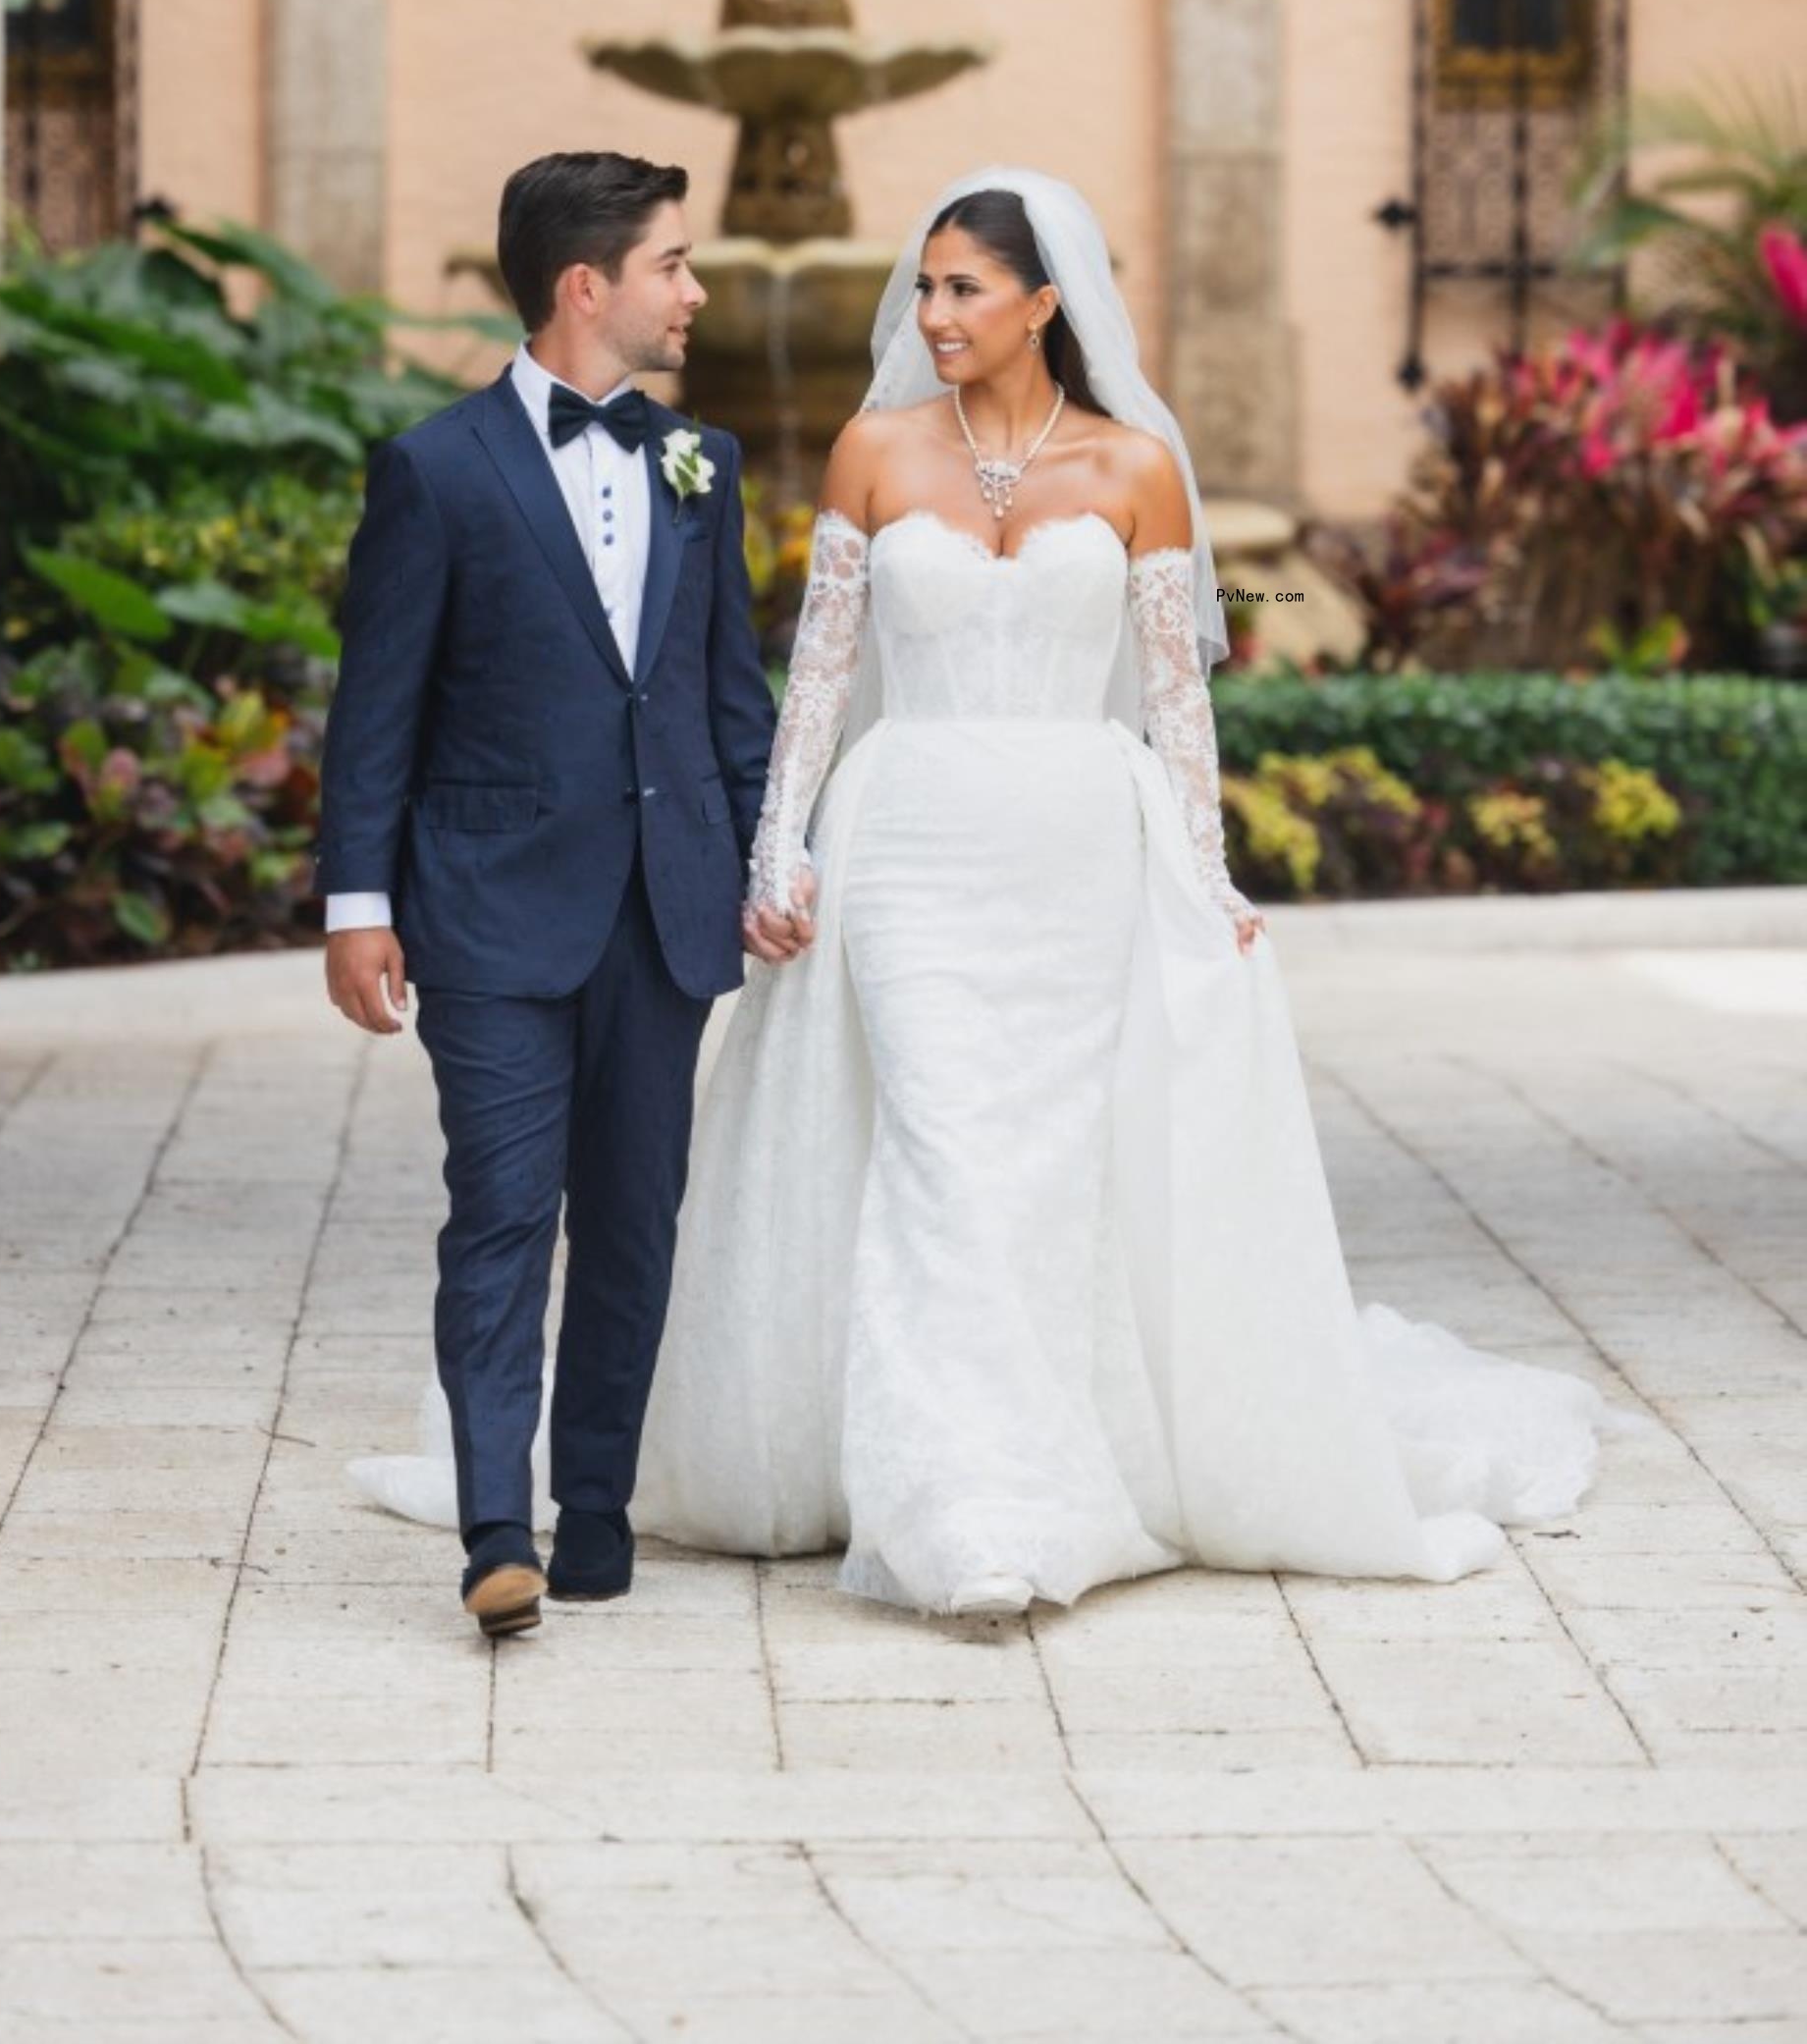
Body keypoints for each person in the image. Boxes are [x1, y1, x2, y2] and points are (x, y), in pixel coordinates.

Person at [351, 164, 1646, 1622]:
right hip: (907, 846)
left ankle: (1048, 1460)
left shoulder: (1137, 468)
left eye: (965, 286)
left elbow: (1178, 707)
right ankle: (954, 1504)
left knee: (1046, 1171)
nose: (935, 310)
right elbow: (813, 685)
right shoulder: (871, 451)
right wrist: (778, 853)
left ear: (1048, 301)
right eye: (927, 285)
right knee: (942, 1148)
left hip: (1077, 852)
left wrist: (1205, 879)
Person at [319, 149, 774, 1637]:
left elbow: (730, 701)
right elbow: (376, 702)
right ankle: (494, 1527)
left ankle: (594, 1510)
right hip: (491, 911)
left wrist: (768, 860)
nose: (694, 291)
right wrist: (354, 901)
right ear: (589, 286)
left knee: (636, 1218)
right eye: (673, 264)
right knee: (503, 1211)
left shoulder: (704, 464)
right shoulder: (438, 469)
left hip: (665, 909)